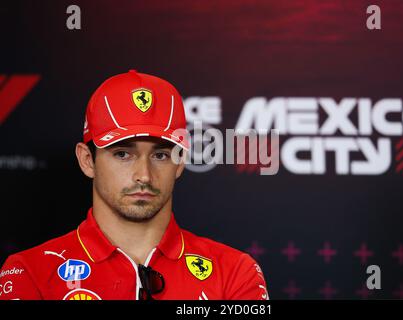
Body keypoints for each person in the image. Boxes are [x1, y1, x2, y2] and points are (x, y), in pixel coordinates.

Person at [0, 70, 269, 300]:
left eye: (160, 155)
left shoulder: (234, 273)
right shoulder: (29, 273)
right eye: (123, 154)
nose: (144, 175)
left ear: (180, 162)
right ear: (87, 160)